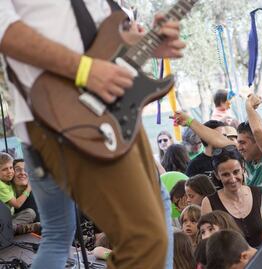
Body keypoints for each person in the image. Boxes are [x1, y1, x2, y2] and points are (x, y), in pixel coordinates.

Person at [0, 2, 185, 268]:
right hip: (68, 116)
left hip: (108, 114)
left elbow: (93, 35)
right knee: (143, 241)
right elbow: (4, 29)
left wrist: (145, 43)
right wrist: (85, 70)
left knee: (62, 235)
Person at [174, 93, 262, 239]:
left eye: (242, 142)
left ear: (257, 142)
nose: (238, 146)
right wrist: (190, 121)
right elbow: (217, 139)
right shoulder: (247, 164)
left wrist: (249, 107)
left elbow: (259, 132)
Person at [201, 146, 262, 248]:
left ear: (242, 169)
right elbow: (209, 245)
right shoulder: (209, 202)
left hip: (260, 259)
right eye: (226, 175)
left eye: (236, 172)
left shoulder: (256, 193)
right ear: (217, 175)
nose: (233, 179)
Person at [0, 153, 39, 234]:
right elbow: (17, 204)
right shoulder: (3, 186)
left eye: (11, 168)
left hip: (9, 221)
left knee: (30, 213)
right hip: (4, 222)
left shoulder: (37, 197)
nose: (22, 173)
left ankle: (10, 229)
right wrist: (28, 189)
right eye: (17, 169)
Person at [185, 120, 226, 189]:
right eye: (219, 136)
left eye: (225, 135)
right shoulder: (194, 165)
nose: (225, 139)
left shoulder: (230, 158)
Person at [13, 158, 39, 222]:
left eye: (26, 170)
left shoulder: (36, 196)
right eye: (18, 170)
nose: (22, 173)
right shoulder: (6, 193)